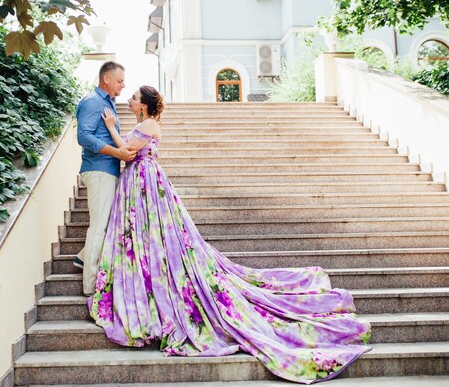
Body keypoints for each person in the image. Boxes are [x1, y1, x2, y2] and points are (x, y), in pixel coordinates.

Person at [87, 85, 372, 384]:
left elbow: (128, 153)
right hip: (141, 185)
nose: (129, 101)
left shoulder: (146, 124)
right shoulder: (144, 123)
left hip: (144, 183)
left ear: (144, 105)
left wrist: (109, 127)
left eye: (134, 98)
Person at [74, 61, 137, 295]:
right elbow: (84, 137)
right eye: (120, 81)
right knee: (98, 227)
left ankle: (83, 257)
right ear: (106, 79)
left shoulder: (107, 102)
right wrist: (116, 153)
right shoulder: (92, 102)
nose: (123, 85)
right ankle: (89, 285)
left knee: (109, 222)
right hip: (98, 170)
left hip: (108, 171)